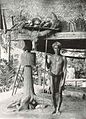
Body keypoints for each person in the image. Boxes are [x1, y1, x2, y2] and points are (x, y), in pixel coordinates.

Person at [46, 41, 67, 114]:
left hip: (59, 76)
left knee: (59, 93)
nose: (56, 50)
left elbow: (65, 70)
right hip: (52, 75)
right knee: (52, 93)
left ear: (59, 49)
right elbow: (48, 67)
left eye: (57, 48)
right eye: (55, 48)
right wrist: (46, 60)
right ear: (53, 49)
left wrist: (63, 81)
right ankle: (54, 108)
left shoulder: (63, 58)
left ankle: (58, 109)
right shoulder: (51, 57)